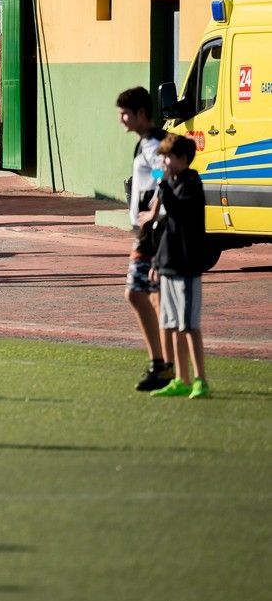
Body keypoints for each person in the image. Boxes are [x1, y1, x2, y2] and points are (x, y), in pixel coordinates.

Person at [145, 134, 211, 399]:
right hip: (169, 267)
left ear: (182, 159)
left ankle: (200, 380)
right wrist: (157, 262)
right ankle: (181, 378)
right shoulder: (171, 185)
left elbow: (179, 214)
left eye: (168, 157)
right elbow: (164, 229)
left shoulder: (191, 183)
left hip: (187, 267)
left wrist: (163, 186)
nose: (164, 162)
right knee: (172, 323)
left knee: (189, 326)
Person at [116, 86, 173, 392]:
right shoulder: (147, 142)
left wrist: (153, 210)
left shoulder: (152, 142)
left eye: (125, 113)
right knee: (154, 296)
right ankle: (166, 365)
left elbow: (164, 173)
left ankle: (160, 364)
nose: (122, 119)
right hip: (152, 231)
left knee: (136, 293)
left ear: (140, 113)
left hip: (151, 234)